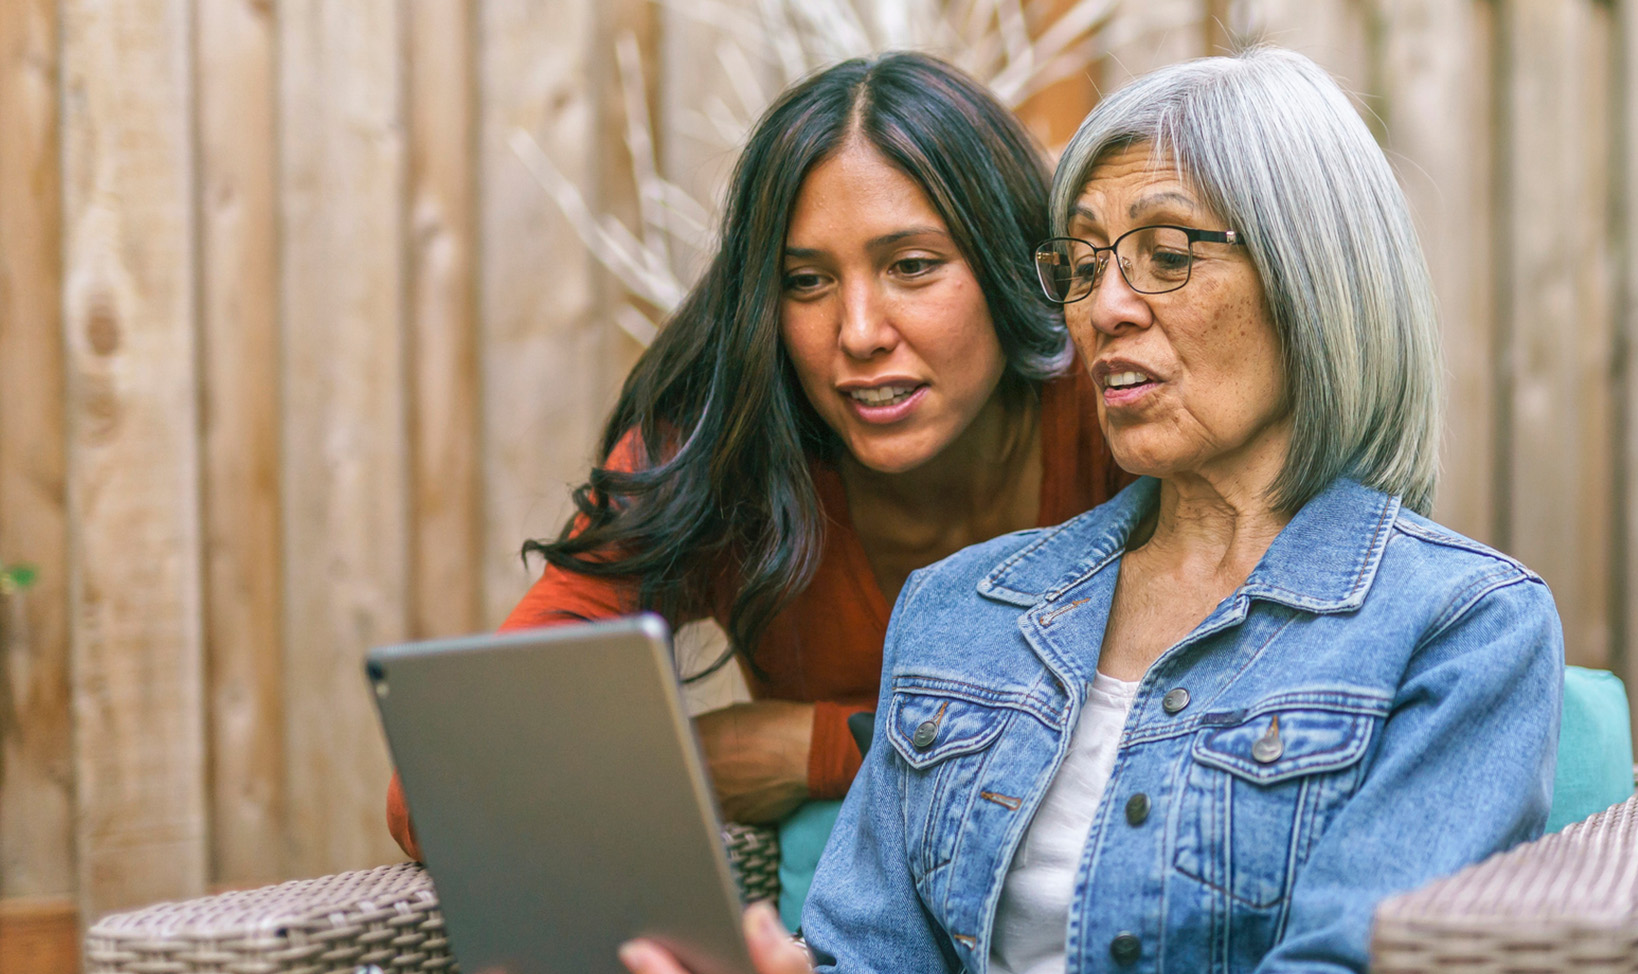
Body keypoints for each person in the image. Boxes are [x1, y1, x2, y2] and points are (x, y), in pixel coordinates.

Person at [347, 47, 1562, 974]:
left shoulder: (1461, 625)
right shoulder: (966, 606)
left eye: (1167, 253)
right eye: (1083, 267)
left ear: (1317, 273)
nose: (1107, 309)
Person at [380, 51, 1125, 866]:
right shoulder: (728, 446)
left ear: (1008, 260)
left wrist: (813, 747)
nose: (860, 332)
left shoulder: (1114, 408)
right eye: (806, 281)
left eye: (912, 266)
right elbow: (438, 793)